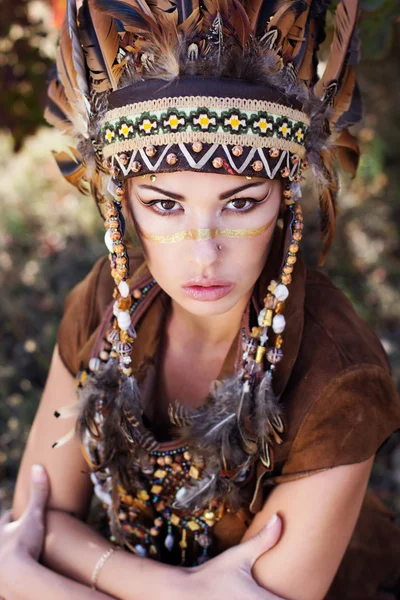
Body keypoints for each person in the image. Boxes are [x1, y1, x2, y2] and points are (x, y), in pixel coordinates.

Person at [1, 0, 400, 597]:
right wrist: (179, 590)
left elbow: (28, 546)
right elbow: (39, 511)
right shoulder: (110, 299)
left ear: (284, 201)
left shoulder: (340, 377)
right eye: (165, 204)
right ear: (123, 205)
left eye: (241, 203)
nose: (204, 253)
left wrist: (25, 578)